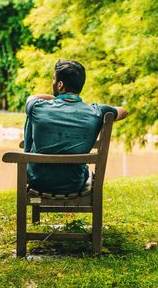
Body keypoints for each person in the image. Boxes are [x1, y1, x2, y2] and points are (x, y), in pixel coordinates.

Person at [24, 59, 128, 195]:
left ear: (60, 85)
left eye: (54, 79)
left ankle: (27, 155)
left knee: (30, 116)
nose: (53, 82)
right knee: (83, 170)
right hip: (73, 183)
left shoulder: (38, 107)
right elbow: (124, 111)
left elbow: (32, 97)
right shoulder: (96, 112)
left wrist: (54, 98)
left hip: (37, 181)